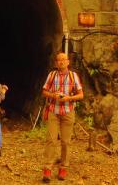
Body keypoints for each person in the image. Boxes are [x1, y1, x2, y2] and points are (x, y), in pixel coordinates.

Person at [42, 52, 83, 183]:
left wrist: (69, 98)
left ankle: (63, 167)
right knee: (51, 140)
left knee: (66, 142)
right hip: (53, 110)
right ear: (56, 63)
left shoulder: (73, 76)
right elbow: (44, 91)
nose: (61, 62)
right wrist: (53, 96)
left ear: (68, 62)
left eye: (63, 60)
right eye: (59, 60)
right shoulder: (52, 75)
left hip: (68, 111)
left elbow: (81, 94)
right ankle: (48, 169)